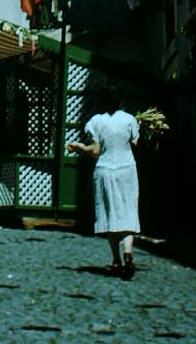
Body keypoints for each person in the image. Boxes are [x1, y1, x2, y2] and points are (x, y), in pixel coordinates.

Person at [68, 88, 140, 279]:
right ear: (121, 102)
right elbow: (135, 144)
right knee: (128, 211)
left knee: (110, 213)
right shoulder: (129, 119)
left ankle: (116, 260)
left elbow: (95, 151)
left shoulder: (97, 122)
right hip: (126, 170)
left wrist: (80, 147)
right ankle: (128, 252)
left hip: (105, 170)